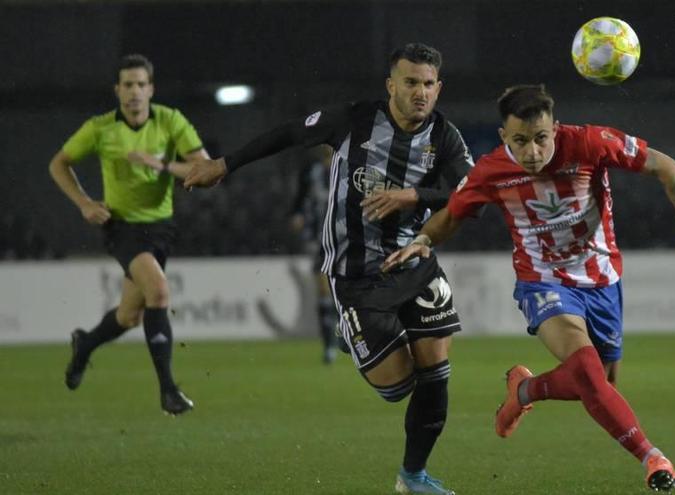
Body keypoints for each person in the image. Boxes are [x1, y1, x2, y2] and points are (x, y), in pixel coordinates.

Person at [384, 84, 675, 491]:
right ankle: (653, 458)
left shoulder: (590, 143)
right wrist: (420, 241)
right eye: (520, 141)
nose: (533, 152)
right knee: (589, 375)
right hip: (541, 281)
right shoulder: (490, 172)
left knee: (600, 387)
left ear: (555, 130)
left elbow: (666, 167)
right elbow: (452, 216)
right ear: (504, 136)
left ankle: (525, 389)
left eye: (541, 139)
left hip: (602, 279)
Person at [183, 43, 473, 495]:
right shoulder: (355, 120)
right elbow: (288, 134)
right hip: (356, 275)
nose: (420, 92)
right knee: (398, 388)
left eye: (429, 84)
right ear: (391, 84)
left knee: (436, 374)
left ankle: (412, 477)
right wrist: (225, 164)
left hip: (415, 261)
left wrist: (412, 197)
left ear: (439, 88)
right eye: (411, 82)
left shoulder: (446, 137)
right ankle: (351, 331)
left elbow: (467, 192)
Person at [49, 54, 209, 415]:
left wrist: (162, 164)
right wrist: (84, 203)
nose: (134, 92)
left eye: (140, 84)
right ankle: (169, 391)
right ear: (117, 90)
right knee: (159, 290)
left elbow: (204, 167)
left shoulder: (170, 121)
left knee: (128, 316)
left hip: (161, 228)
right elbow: (58, 164)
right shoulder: (101, 128)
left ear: (151, 89)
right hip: (121, 226)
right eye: (127, 85)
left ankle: (86, 344)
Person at [288, 145, 339, 364]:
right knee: (323, 290)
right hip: (320, 239)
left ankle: (348, 335)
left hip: (347, 237)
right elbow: (300, 198)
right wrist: (297, 215)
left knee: (345, 291)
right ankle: (329, 345)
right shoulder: (311, 171)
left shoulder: (347, 166)